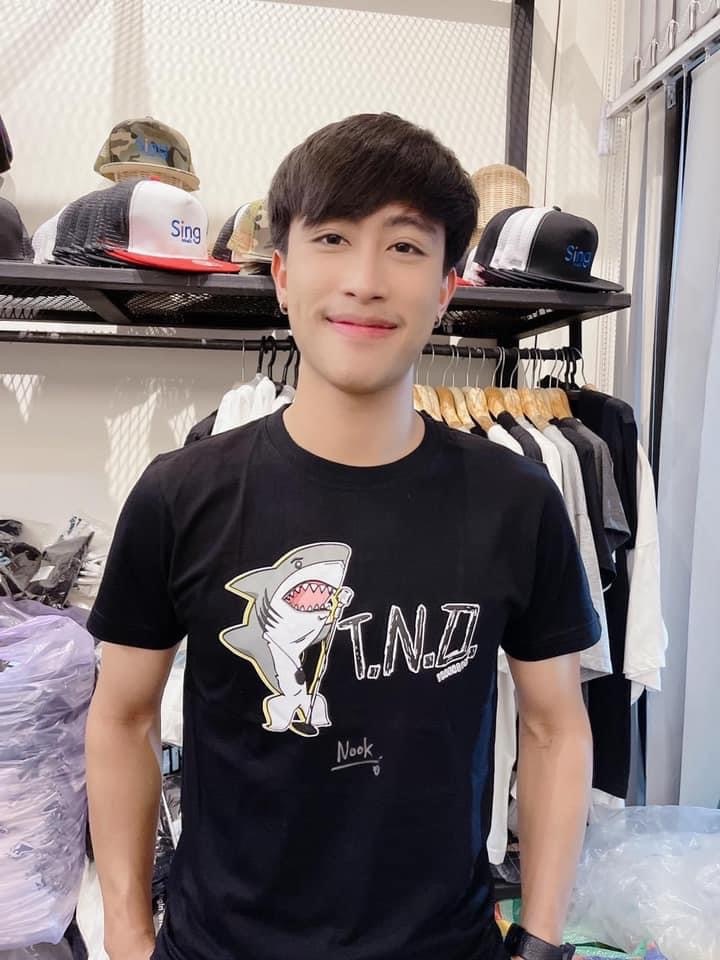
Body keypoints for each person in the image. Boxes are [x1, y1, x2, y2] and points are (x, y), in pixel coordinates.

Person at [85, 113, 598, 960]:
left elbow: (555, 727)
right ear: (283, 275)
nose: (364, 280)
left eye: (404, 246)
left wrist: (542, 939)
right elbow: (121, 717)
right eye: (332, 238)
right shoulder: (182, 494)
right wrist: (128, 936)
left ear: (446, 286)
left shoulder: (516, 499)